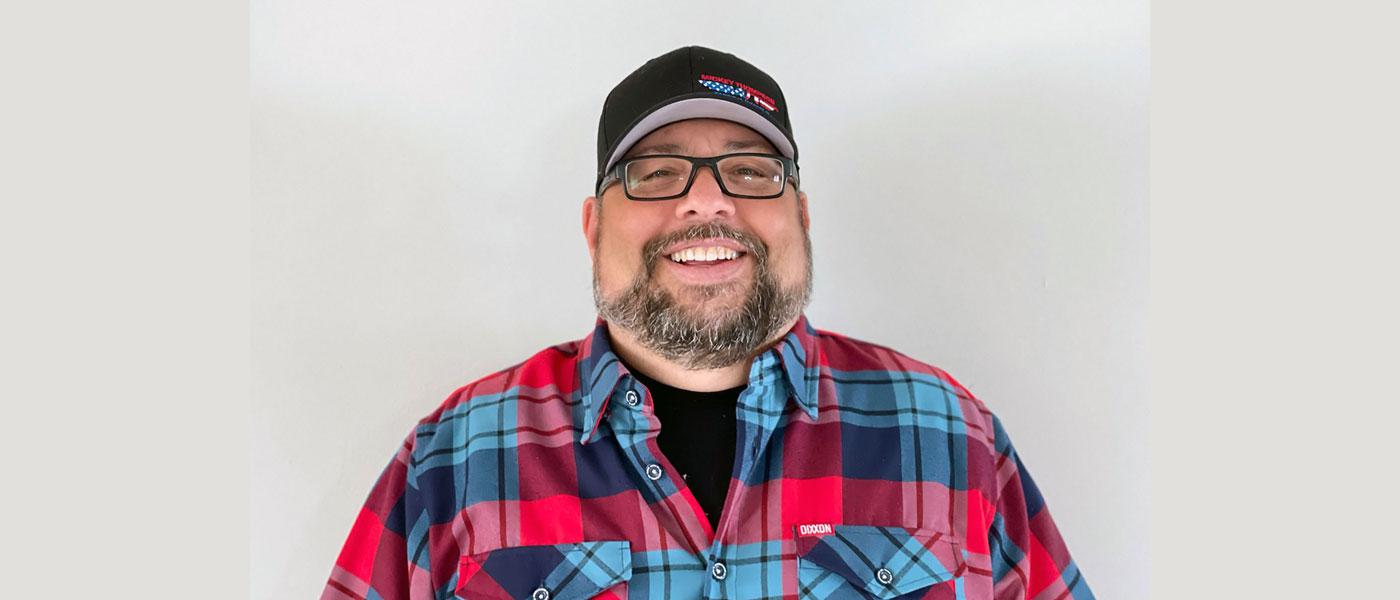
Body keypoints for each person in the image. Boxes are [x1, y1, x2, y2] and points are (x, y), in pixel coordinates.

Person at [321, 46, 1094, 600]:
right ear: (594, 226)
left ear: (801, 214)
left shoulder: (952, 436)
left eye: (751, 171)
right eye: (656, 172)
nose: (707, 202)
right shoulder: (453, 457)